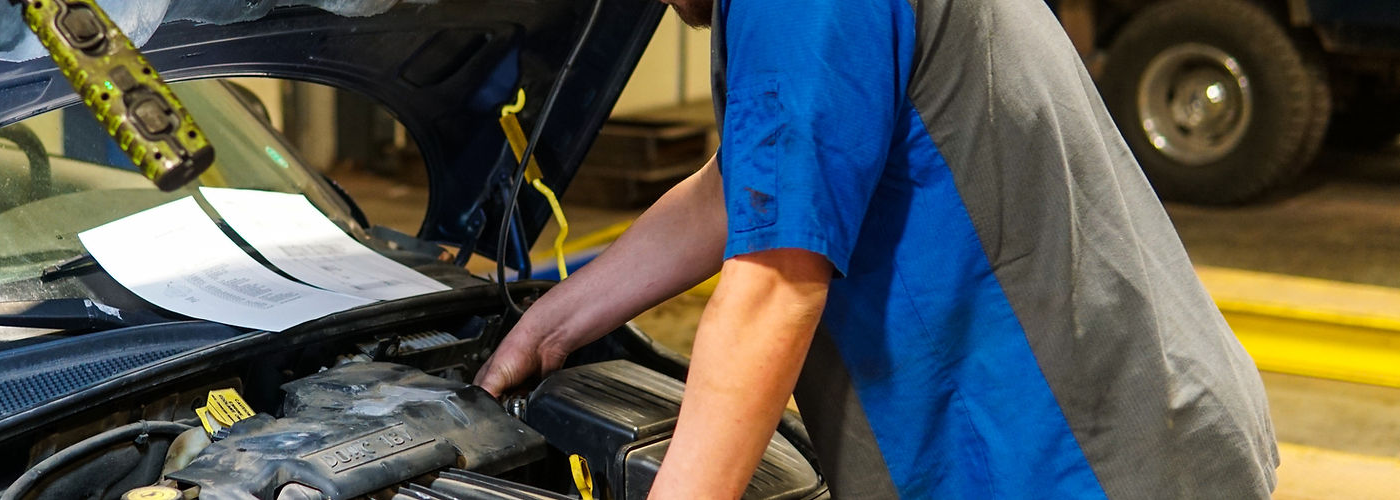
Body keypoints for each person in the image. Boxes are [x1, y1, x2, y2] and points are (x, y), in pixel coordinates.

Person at [473, 0, 1278, 497]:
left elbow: (772, 291)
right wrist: (543, 330)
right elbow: (745, 185)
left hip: (1074, 456)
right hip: (1119, 418)